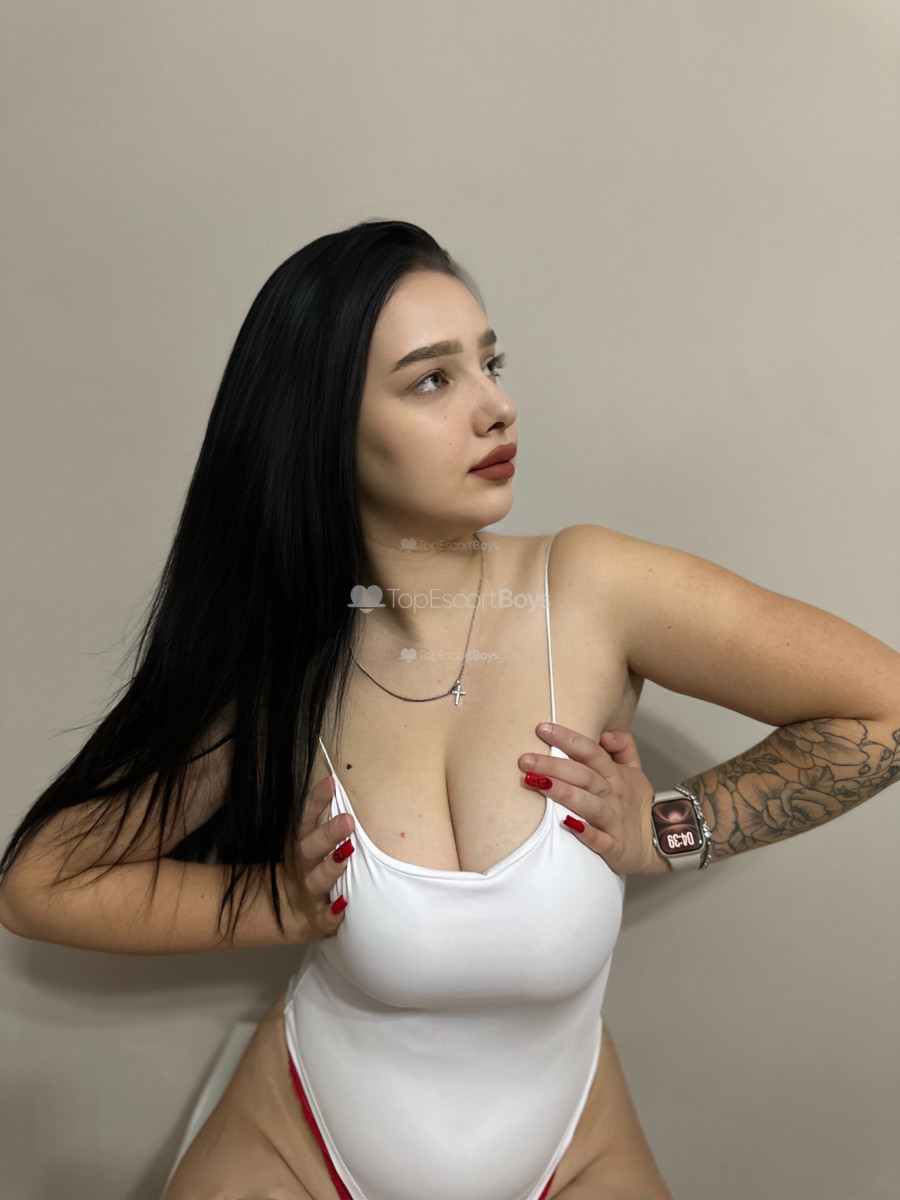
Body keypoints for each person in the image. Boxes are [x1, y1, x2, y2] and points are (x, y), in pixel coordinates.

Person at [1, 219, 898, 1200]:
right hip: (298, 1145)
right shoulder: (282, 666)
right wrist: (277, 903)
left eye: (489, 363)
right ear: (324, 428)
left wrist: (667, 828)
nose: (498, 407)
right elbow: (39, 886)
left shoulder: (592, 590)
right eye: (433, 380)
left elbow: (885, 709)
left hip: (570, 1151)